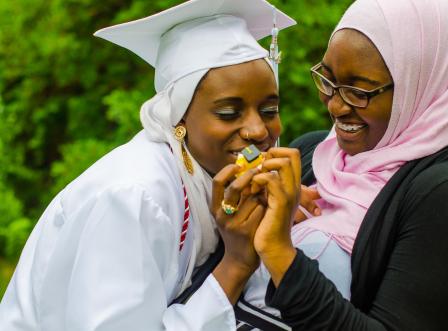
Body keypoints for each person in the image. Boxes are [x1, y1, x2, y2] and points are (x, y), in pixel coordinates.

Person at [0, 0, 297, 330]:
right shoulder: (133, 196)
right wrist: (236, 263)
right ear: (177, 120)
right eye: (229, 113)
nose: (258, 130)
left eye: (269, 111)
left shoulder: (202, 175)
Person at [216, 0, 448, 330]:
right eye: (328, 79)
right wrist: (242, 225)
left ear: (419, 85)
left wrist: (281, 253)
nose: (335, 105)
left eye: (359, 90)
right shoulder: (313, 152)